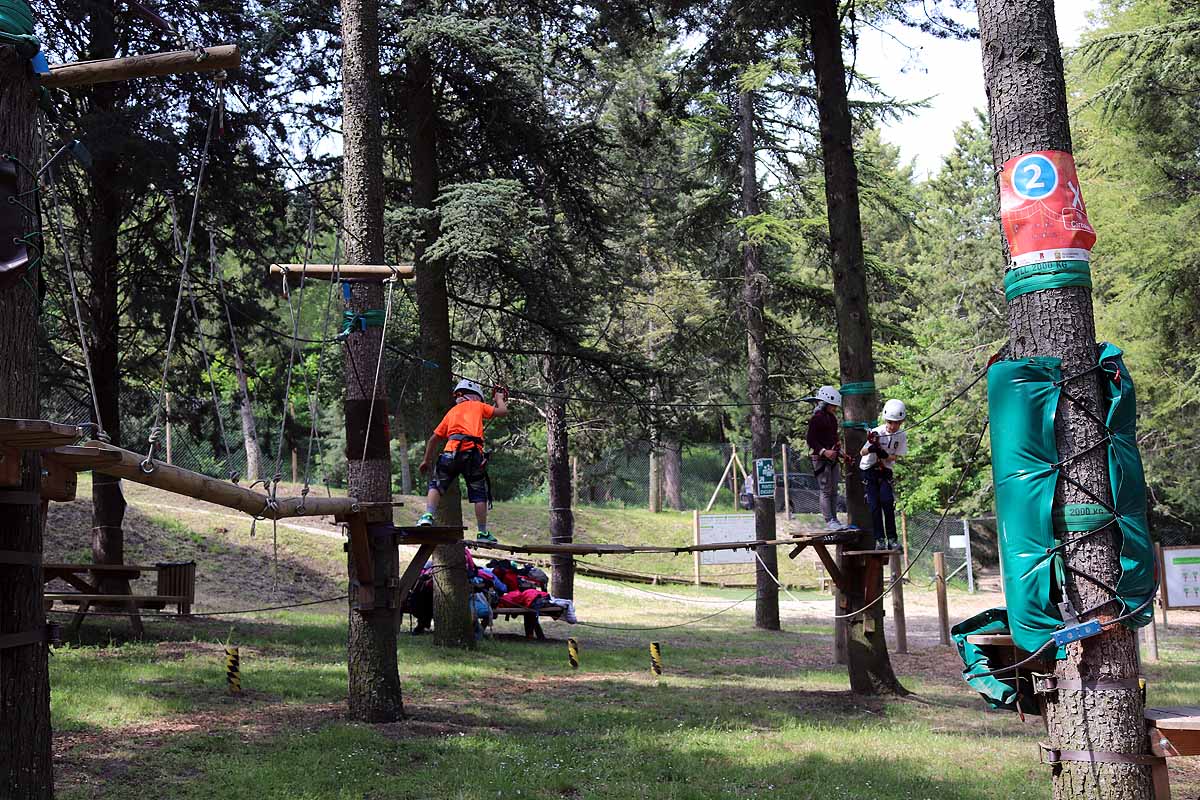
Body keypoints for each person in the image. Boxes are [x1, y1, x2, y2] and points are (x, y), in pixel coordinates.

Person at [417, 378, 508, 539]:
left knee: (436, 485)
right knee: (479, 494)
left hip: (450, 453)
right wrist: (499, 399)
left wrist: (426, 460)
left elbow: (433, 439)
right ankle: (482, 532)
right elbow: (502, 412)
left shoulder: (451, 412)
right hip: (472, 455)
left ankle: (427, 516)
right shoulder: (477, 406)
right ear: (475, 396)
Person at [859, 399, 908, 550]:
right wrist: (873, 449)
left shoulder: (901, 435)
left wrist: (884, 455)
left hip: (885, 471)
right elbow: (862, 452)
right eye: (891, 422)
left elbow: (895, 457)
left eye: (897, 423)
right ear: (886, 420)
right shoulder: (877, 432)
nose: (893, 426)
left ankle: (892, 539)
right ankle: (879, 539)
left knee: (887, 503)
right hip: (869, 470)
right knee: (874, 506)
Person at [805, 385, 847, 530]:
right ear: (825, 404)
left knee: (834, 490)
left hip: (832, 458)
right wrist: (824, 451)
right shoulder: (816, 419)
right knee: (826, 490)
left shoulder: (832, 419)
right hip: (821, 459)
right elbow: (810, 440)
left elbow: (834, 439)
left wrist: (841, 453)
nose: (835, 409)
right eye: (833, 406)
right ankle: (829, 520)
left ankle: (835, 519)